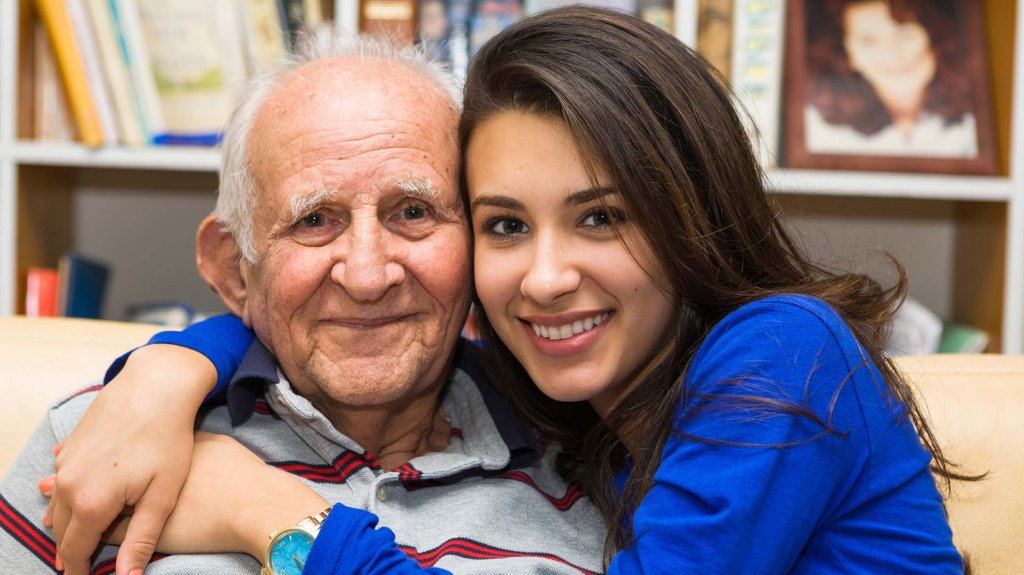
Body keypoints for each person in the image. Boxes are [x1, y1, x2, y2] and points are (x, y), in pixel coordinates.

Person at [37, 6, 966, 574]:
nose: (547, 277)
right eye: (507, 226)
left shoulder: (781, 356)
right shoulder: (573, 410)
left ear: (691, 215)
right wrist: (171, 365)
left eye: (602, 216)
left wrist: (266, 510)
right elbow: (335, 316)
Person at [0, 30, 607, 575]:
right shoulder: (107, 442)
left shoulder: (595, 468)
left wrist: (273, 516)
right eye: (314, 219)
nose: (368, 276)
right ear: (234, 267)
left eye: (414, 212)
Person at [804, 0, 979, 157]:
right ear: (849, 55)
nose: (893, 54)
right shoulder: (818, 129)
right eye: (868, 42)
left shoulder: (977, 117)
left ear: (933, 39)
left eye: (905, 35)